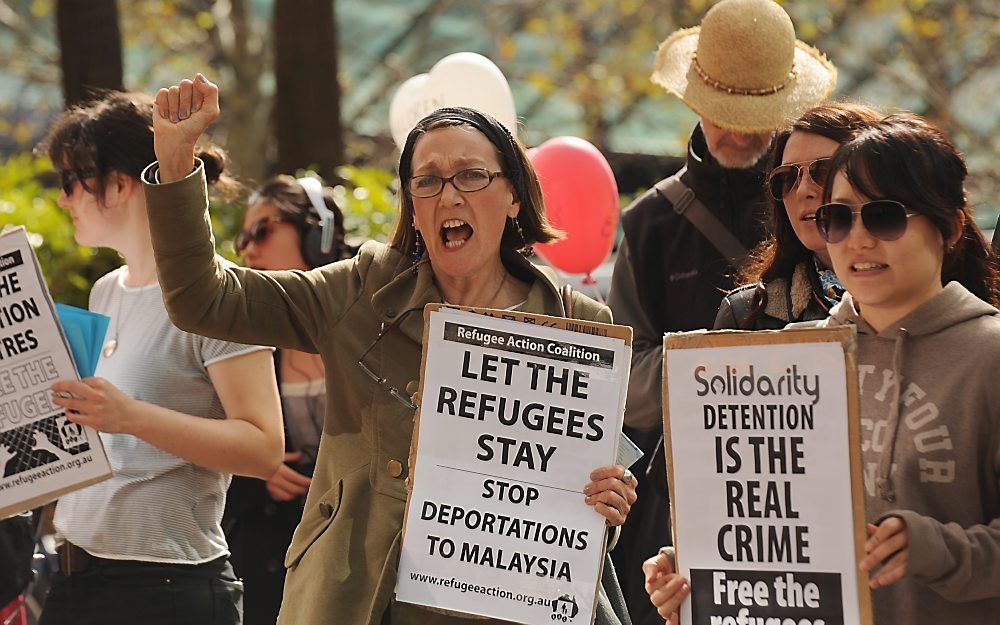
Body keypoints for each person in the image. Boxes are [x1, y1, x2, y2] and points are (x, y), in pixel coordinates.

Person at [144, 74, 638, 625]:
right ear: (412, 206)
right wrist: (174, 160)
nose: (448, 194)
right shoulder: (360, 291)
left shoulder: (578, 328)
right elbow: (202, 301)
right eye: (426, 182)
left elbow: (585, 503)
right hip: (355, 605)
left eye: (471, 176)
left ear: (514, 195)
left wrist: (608, 504)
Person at [645, 114, 1000, 625]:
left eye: (884, 216)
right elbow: (761, 522)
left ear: (951, 226)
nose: (857, 239)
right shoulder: (779, 362)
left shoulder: (988, 358)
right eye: (838, 218)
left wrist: (937, 549)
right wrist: (696, 573)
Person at [605, 1, 836, 620]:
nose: (738, 133)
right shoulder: (648, 223)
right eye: (724, 116)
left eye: (754, 117)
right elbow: (623, 376)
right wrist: (725, 369)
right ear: (694, 102)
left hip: (813, 485)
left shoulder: (829, 204)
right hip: (683, 487)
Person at [38, 92, 284, 625]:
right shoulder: (106, 290)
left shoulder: (222, 292)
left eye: (69, 181)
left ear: (120, 183)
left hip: (165, 586)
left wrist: (129, 416)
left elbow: (264, 447)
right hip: (76, 574)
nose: (62, 200)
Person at [224, 174, 354, 625]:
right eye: (241, 238)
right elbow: (202, 451)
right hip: (270, 561)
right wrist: (257, 474)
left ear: (316, 237)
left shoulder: (375, 321)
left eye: (261, 231)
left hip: (360, 557)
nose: (247, 251)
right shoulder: (239, 332)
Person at [714, 102, 884, 329]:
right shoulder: (746, 314)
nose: (803, 191)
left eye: (823, 171)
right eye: (787, 177)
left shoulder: (936, 296)